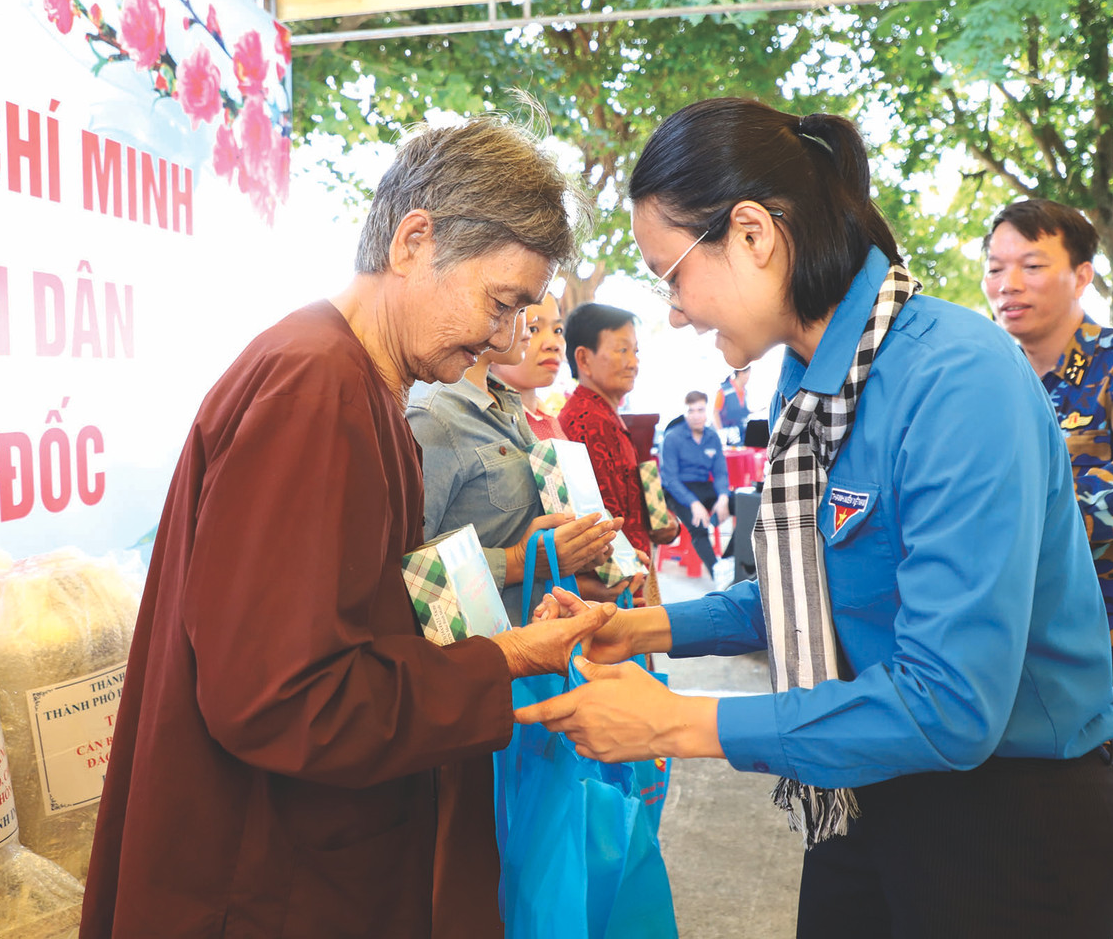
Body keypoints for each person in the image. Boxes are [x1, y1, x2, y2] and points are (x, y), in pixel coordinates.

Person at [517, 97, 1113, 939]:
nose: (673, 314)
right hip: (865, 781)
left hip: (1005, 820)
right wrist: (643, 630)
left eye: (671, 276)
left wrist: (678, 721)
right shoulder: (816, 385)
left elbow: (949, 703)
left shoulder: (954, 379)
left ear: (752, 234)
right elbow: (807, 586)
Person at [80, 115, 617, 939]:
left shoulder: (360, 382)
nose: (500, 340)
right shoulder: (315, 391)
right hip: (270, 876)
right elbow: (282, 698)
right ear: (413, 240)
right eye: (501, 305)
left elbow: (351, 614)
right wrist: (502, 656)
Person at [406, 314, 637, 937]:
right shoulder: (434, 416)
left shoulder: (509, 409)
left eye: (550, 319)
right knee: (481, 864)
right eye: (525, 314)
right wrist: (523, 558)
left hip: (527, 663)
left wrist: (563, 556)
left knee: (528, 859)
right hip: (479, 672)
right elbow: (411, 565)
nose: (542, 334)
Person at [983, 198, 1113, 768]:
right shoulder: (990, 376)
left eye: (1032, 265)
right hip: (1007, 631)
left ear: (1082, 276)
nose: (1009, 283)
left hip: (1111, 636)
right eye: (996, 267)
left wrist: (1025, 530)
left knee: (1077, 822)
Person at [558, 302, 680, 564]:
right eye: (622, 350)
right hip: (619, 588)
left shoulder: (604, 414)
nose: (633, 363)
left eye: (635, 351)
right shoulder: (588, 421)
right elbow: (603, 524)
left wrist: (665, 522)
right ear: (583, 359)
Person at [658, 390, 731, 580]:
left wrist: (723, 497)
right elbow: (671, 480)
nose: (696, 415)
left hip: (703, 485)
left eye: (700, 410)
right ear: (685, 413)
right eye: (691, 411)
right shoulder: (672, 438)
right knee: (698, 526)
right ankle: (719, 575)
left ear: (707, 411)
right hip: (676, 490)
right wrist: (694, 503)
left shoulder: (712, 437)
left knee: (745, 504)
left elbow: (720, 472)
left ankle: (729, 562)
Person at [490, 293, 570, 440]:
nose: (553, 344)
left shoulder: (548, 417)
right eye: (532, 329)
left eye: (558, 330)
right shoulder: (492, 422)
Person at [713, 366, 751, 443]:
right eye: (748, 374)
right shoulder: (724, 390)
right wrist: (721, 433)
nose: (749, 377)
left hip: (741, 434)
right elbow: (715, 413)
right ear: (740, 373)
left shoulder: (744, 391)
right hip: (727, 435)